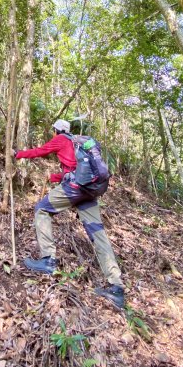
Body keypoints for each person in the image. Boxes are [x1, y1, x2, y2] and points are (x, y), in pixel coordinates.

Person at [13, 119, 125, 308]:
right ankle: (116, 287)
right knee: (98, 233)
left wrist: (18, 155)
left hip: (76, 189)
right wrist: (54, 177)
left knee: (41, 209)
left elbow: (40, 151)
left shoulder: (61, 139)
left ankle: (48, 260)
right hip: (90, 190)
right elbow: (75, 170)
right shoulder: (78, 142)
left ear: (56, 131)